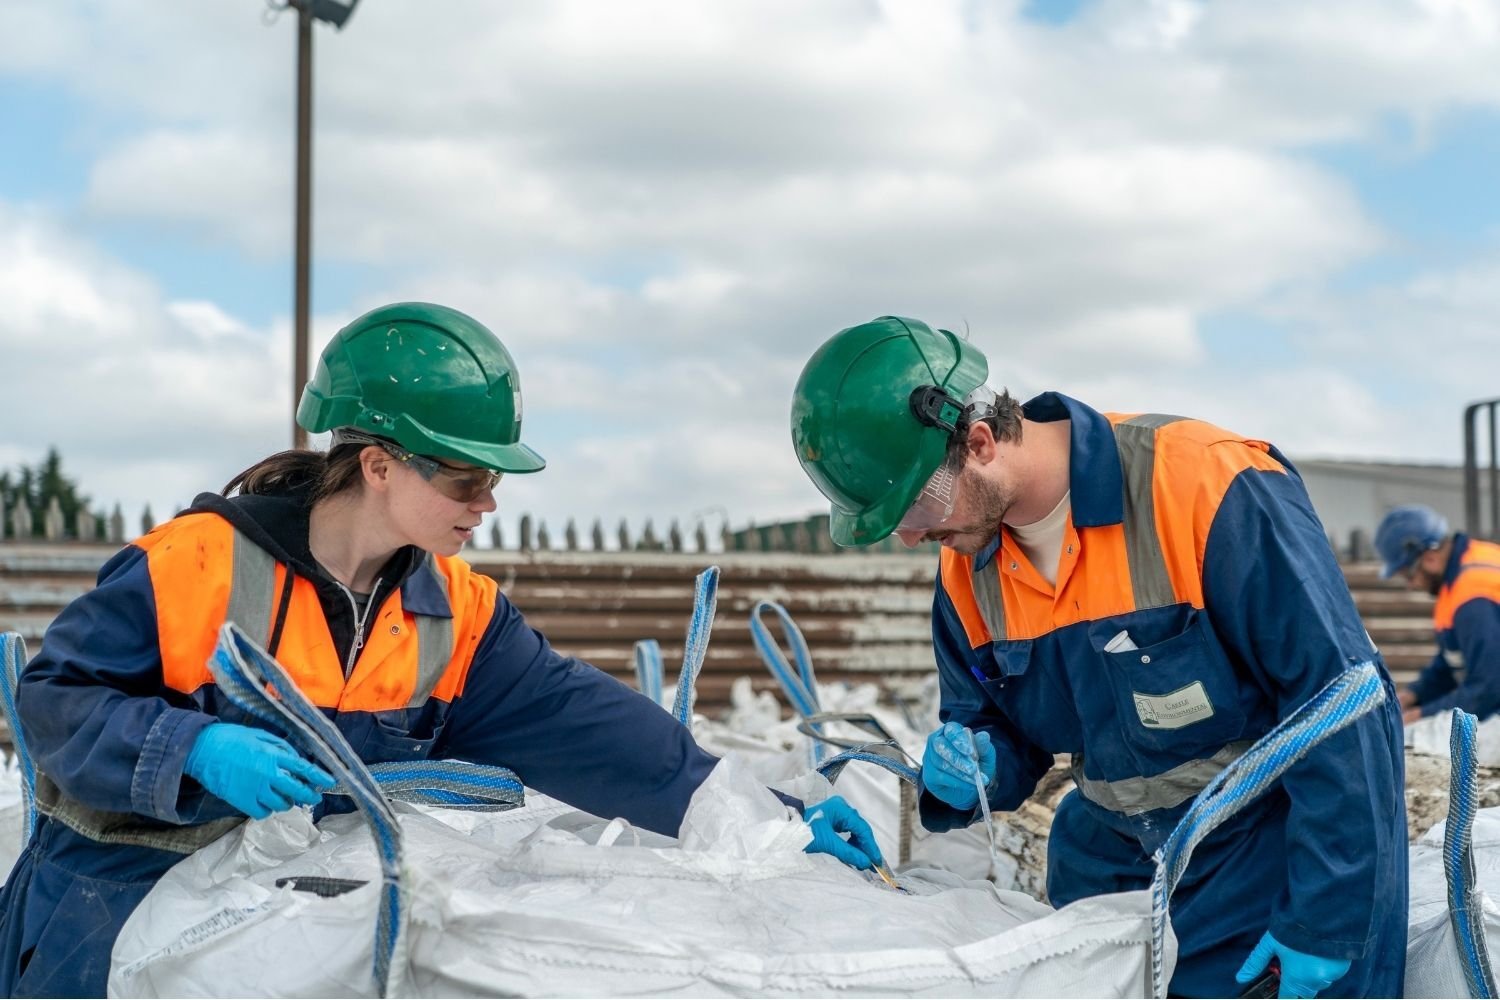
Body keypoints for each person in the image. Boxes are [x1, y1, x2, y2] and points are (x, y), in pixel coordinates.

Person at [0, 302, 881, 998]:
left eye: (492, 480)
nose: (486, 502)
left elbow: (612, 742)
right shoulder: (197, 564)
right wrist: (193, 747)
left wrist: (771, 818)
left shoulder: (456, 617)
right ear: (379, 465)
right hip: (114, 899)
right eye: (465, 477)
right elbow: (55, 700)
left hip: (289, 911)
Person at [788, 316, 1407, 998]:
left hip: (1262, 864)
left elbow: (1343, 706)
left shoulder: (1205, 486)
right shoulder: (967, 569)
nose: (913, 537)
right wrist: (980, 766)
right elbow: (992, 720)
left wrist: (1327, 921)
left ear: (980, 441)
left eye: (918, 505)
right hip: (1110, 873)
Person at [1375, 503, 1500, 725]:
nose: (1411, 586)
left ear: (1429, 559)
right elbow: (1453, 660)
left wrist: (1420, 716)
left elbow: (1488, 688)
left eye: (1408, 575)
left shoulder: (1473, 598)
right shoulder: (1468, 564)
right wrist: (1413, 695)